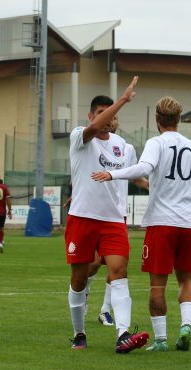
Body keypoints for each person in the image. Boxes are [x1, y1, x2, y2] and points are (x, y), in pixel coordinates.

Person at [92, 96, 191, 352]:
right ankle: (186, 326)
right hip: (188, 223)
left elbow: (143, 168)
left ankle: (160, 340)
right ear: (178, 120)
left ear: (157, 119)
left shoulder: (156, 143)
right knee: (186, 280)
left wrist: (112, 173)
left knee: (158, 284)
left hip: (162, 223)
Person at [65, 78, 149, 353]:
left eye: (109, 113)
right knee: (79, 279)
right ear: (91, 116)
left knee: (119, 272)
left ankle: (122, 333)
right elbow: (93, 130)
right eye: (100, 113)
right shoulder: (80, 135)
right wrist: (122, 100)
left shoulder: (123, 146)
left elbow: (135, 175)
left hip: (113, 220)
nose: (106, 118)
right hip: (82, 218)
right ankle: (79, 334)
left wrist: (159, 188)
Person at [83, 116, 149, 327]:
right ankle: (84, 290)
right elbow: (85, 175)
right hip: (94, 213)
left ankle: (105, 310)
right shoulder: (91, 144)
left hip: (117, 215)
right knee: (93, 263)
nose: (112, 121)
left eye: (115, 117)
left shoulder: (126, 148)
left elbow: (135, 177)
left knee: (119, 266)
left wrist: (154, 187)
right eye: (107, 116)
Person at [0, 173, 12, 253]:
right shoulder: (4, 187)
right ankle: (1, 242)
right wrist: (10, 210)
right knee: (1, 228)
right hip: (2, 212)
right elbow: (8, 200)